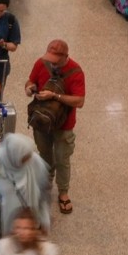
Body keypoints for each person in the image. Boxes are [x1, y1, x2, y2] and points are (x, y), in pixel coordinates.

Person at [24, 40, 85, 215]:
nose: (51, 62)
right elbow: (30, 81)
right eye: (49, 58)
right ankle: (46, 181)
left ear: (66, 56)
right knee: (44, 153)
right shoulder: (41, 63)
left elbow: (79, 101)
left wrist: (55, 95)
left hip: (64, 124)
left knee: (62, 158)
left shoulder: (76, 72)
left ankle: (63, 192)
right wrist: (29, 88)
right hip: (42, 120)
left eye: (56, 60)